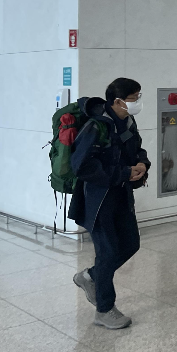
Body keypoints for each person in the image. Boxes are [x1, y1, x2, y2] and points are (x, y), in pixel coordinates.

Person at [68, 78, 150, 330]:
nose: (138, 102)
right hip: (98, 201)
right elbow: (81, 166)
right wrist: (124, 172)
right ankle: (104, 310)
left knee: (131, 244)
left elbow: (138, 150)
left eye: (138, 96)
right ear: (117, 101)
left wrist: (142, 164)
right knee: (108, 253)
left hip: (121, 195)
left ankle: (90, 276)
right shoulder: (96, 126)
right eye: (134, 98)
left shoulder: (128, 121)